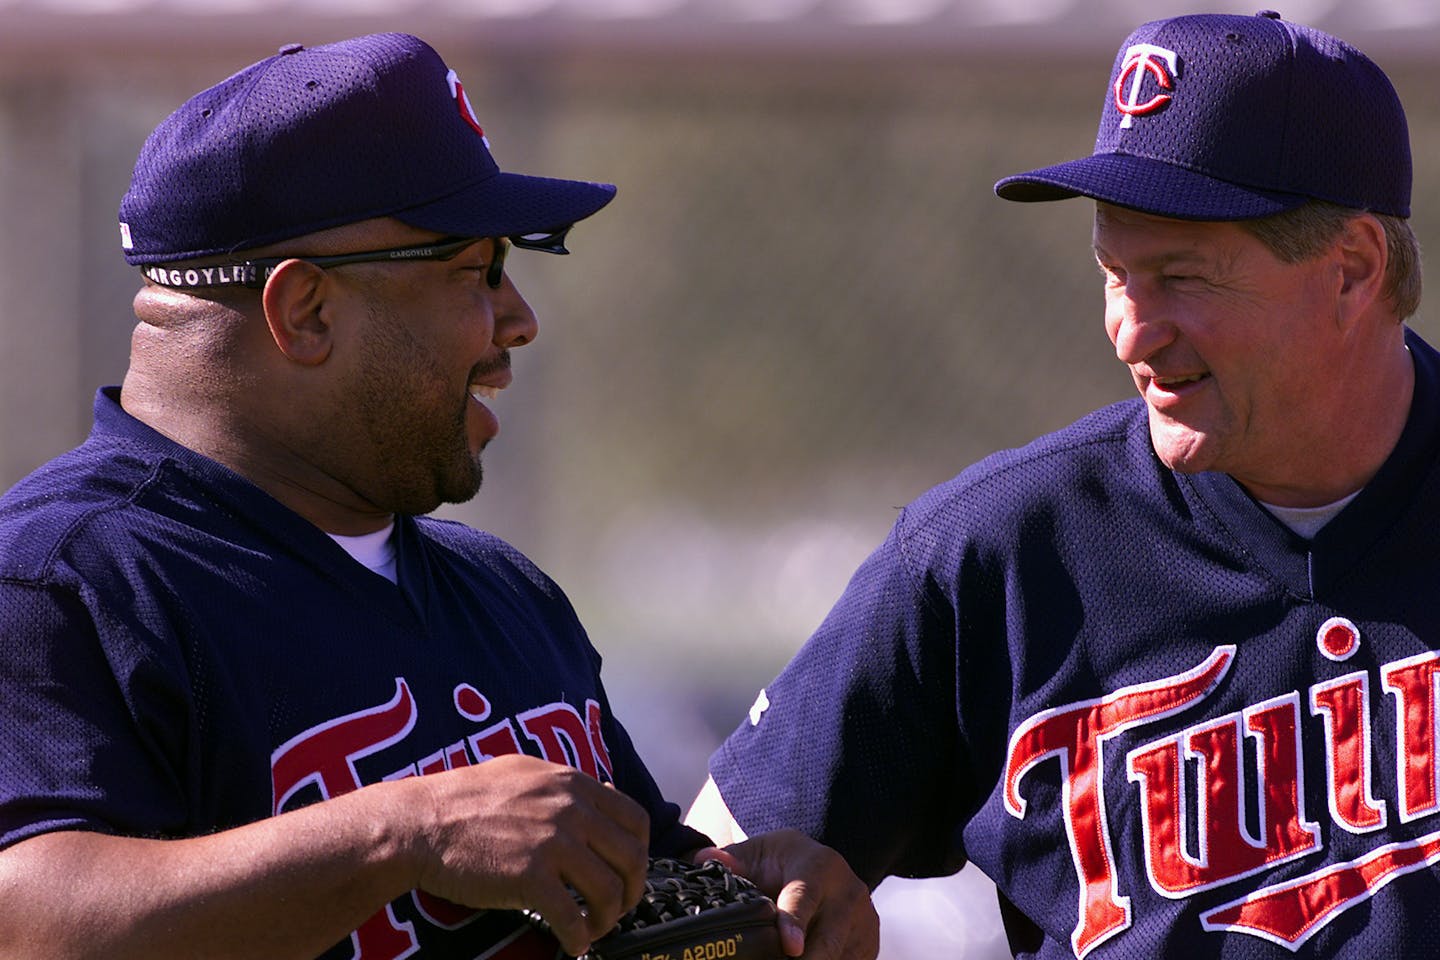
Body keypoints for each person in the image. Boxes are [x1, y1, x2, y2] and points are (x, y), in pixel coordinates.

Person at [0, 33, 877, 960]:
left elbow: (626, 884)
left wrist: (746, 895)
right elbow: (32, 924)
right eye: (477, 270)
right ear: (307, 312)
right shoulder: (60, 583)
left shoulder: (498, 587)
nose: (519, 320)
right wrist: (402, 833)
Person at [688, 10, 1436, 958]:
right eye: (1116, 274)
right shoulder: (996, 551)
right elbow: (697, 892)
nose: (1132, 330)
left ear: (1353, 269)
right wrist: (730, 928)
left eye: (1181, 276)